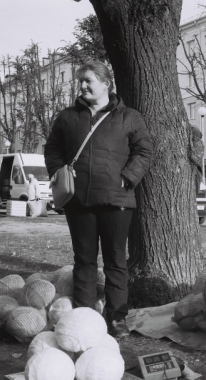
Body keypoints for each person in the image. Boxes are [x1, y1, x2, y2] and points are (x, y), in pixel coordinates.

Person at [44, 61, 152, 339]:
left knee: (116, 261)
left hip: (117, 200)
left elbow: (143, 151)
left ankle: (117, 319)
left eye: (88, 80)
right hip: (78, 201)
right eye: (80, 81)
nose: (82, 85)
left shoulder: (129, 116)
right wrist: (59, 173)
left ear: (106, 83)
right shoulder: (68, 117)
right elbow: (53, 149)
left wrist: (127, 178)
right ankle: (85, 317)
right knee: (84, 261)